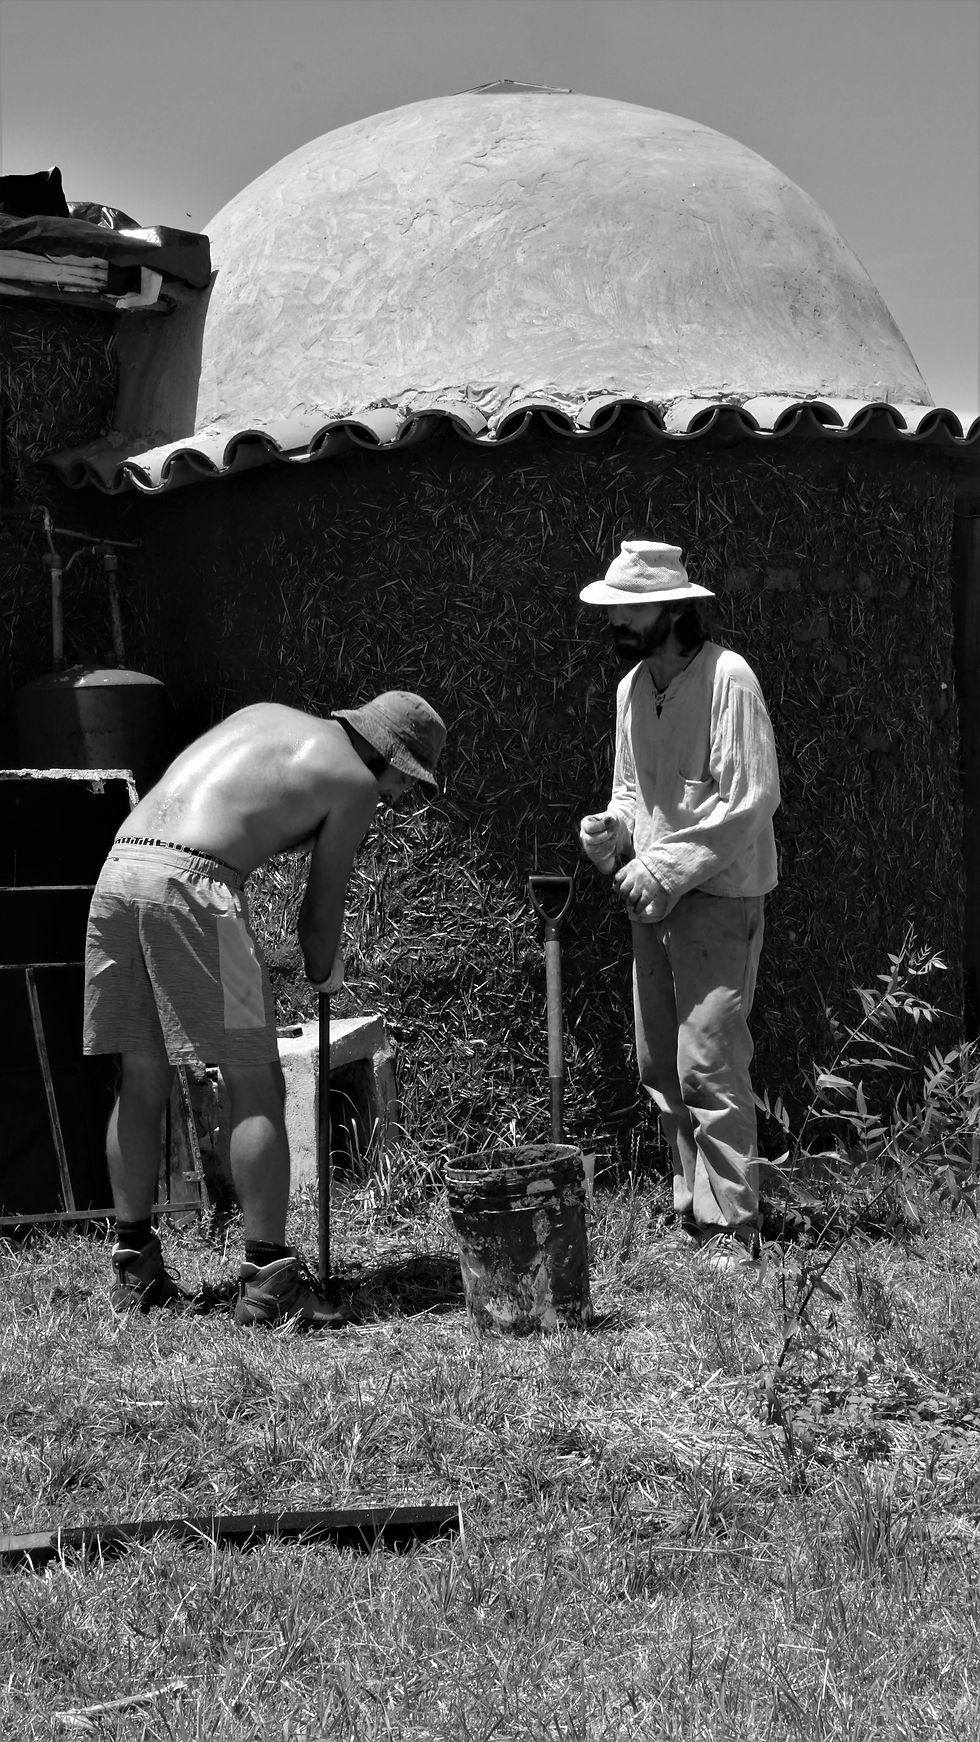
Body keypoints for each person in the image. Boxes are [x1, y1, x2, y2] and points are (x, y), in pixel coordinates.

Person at [83, 691, 446, 1324]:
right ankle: (270, 1281)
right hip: (197, 891)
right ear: (389, 757)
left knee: (142, 1073)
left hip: (120, 871)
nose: (401, 797)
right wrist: (325, 972)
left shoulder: (269, 718)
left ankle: (134, 1267)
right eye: (408, 782)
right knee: (257, 1080)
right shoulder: (355, 783)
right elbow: (319, 917)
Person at [578, 540, 779, 1269]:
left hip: (718, 896)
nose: (618, 623)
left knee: (709, 1060)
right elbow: (631, 790)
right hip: (654, 900)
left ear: (673, 609)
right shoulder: (632, 689)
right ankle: (692, 1206)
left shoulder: (729, 679)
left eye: (632, 610)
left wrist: (663, 867)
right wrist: (612, 832)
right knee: (660, 1061)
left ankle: (733, 1227)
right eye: (616, 610)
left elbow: (749, 799)